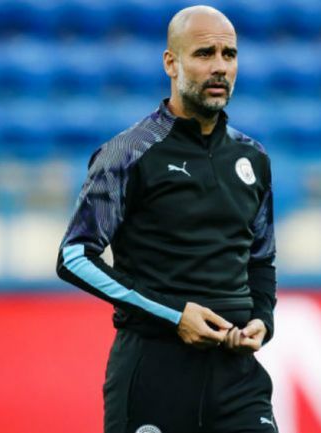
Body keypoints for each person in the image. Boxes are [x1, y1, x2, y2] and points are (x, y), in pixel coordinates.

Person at [56, 5, 277, 433]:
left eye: (228, 55)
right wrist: (176, 315)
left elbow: (261, 259)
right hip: (154, 372)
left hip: (237, 377)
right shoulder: (128, 153)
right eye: (204, 54)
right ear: (171, 63)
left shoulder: (254, 157)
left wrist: (262, 321)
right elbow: (74, 256)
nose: (219, 67)